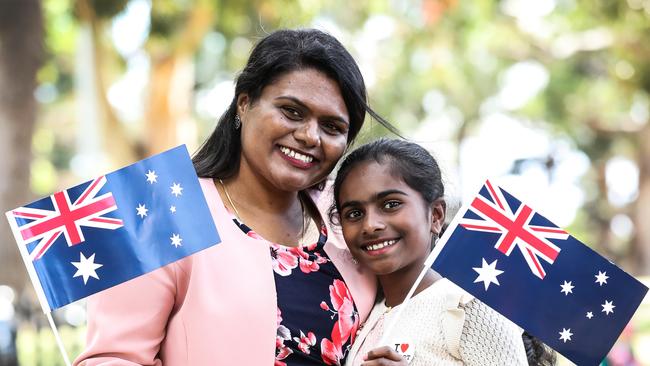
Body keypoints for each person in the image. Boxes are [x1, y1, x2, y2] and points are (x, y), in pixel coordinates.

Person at [74, 29, 397, 365]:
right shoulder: (161, 210)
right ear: (244, 104)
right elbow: (109, 358)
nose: (309, 136)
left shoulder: (351, 218)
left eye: (332, 127)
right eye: (292, 111)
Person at [331, 138, 531, 365]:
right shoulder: (361, 314)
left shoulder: (464, 305)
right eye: (354, 213)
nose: (370, 225)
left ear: (435, 215)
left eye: (390, 204)